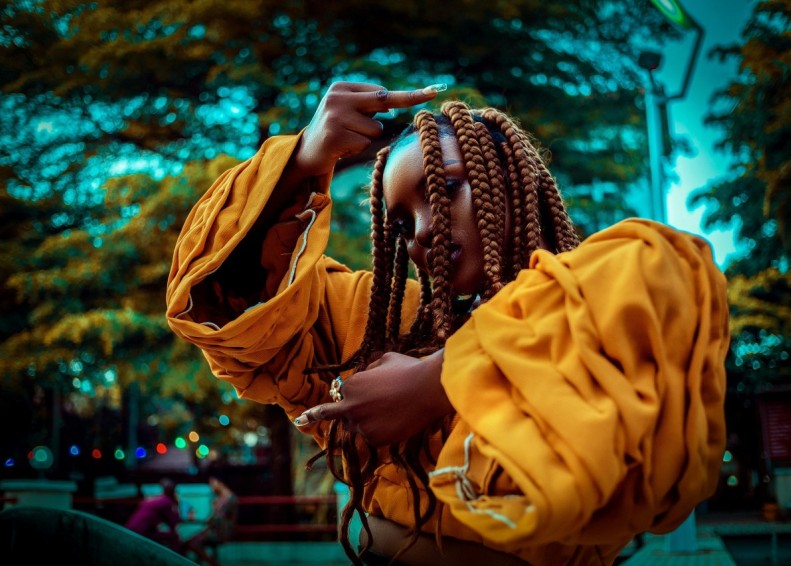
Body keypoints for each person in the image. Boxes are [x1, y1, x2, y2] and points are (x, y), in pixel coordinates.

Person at [166, 82, 730, 565]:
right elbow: (225, 300)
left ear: (511, 181)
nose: (422, 233)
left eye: (446, 187)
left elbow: (664, 269)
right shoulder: (388, 324)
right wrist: (304, 160)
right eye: (401, 221)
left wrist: (440, 379)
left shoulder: (594, 299)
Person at [183, 471, 239, 566]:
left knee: (193, 543)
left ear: (219, 482)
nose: (211, 486)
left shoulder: (229, 499)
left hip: (220, 532)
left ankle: (213, 563)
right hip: (215, 529)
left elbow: (222, 519)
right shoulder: (220, 498)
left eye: (212, 483)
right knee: (191, 541)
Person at [125, 477, 183, 554]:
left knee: (162, 535)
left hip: (129, 530)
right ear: (173, 491)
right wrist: (177, 504)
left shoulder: (154, 499)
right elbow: (174, 521)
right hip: (141, 533)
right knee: (174, 538)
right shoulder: (166, 501)